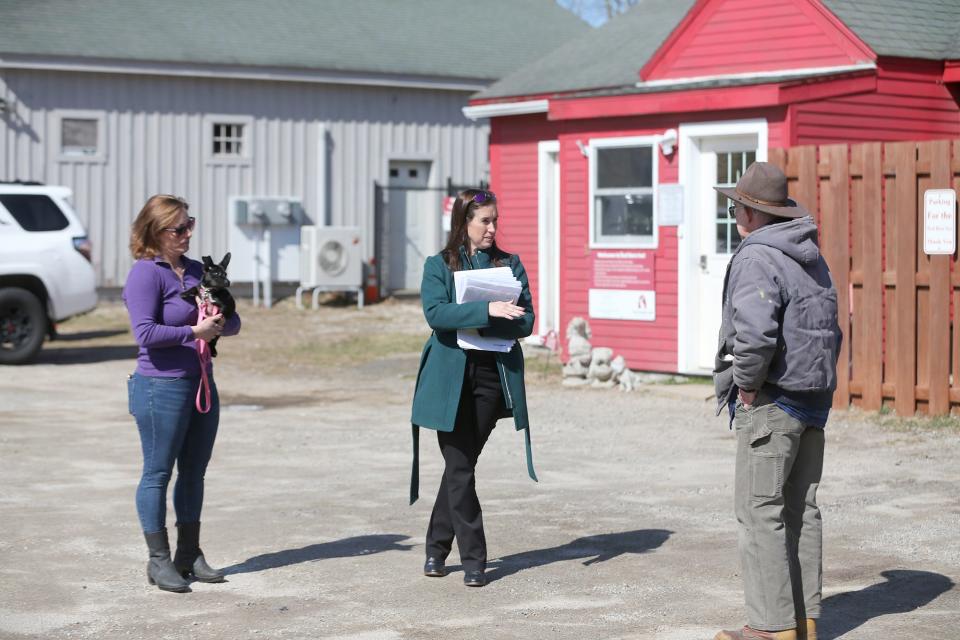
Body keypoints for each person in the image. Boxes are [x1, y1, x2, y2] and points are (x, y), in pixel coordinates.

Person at [712, 163, 842, 640]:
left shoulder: (756, 256)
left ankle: (770, 629)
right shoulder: (810, 254)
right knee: (800, 510)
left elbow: (755, 335)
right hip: (813, 398)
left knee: (759, 512)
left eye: (735, 207)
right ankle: (803, 621)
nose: (735, 215)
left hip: (773, 399)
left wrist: (745, 386)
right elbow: (832, 327)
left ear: (751, 212)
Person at [409, 188, 537, 588]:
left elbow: (526, 321)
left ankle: (435, 548)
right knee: (460, 467)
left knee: (460, 466)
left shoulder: (509, 265)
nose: (493, 228)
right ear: (464, 222)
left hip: (489, 378)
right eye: (485, 220)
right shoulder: (438, 265)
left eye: (495, 220)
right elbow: (436, 313)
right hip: (449, 380)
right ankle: (475, 560)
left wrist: (497, 315)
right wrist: (486, 310)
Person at [122, 194, 241, 593]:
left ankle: (188, 554)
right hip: (160, 385)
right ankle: (158, 560)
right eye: (179, 229)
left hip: (201, 382)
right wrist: (194, 332)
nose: (188, 234)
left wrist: (222, 312)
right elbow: (146, 334)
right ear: (155, 232)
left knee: (195, 471)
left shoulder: (196, 271)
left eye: (191, 224)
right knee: (157, 473)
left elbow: (233, 323)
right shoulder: (145, 274)